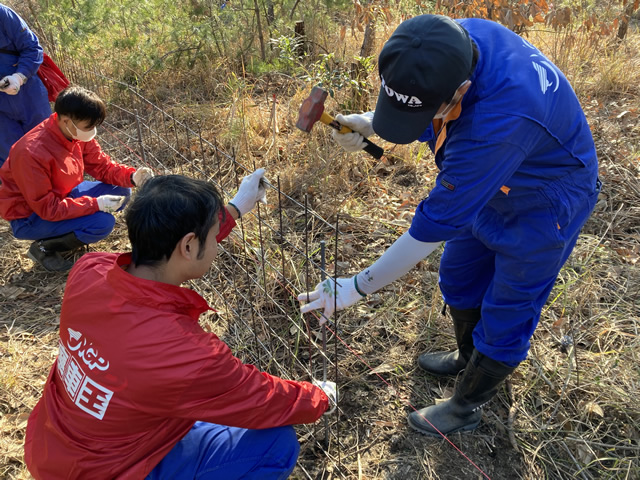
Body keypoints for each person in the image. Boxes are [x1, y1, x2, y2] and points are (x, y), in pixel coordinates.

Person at [298, 15, 600, 437]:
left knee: (508, 307)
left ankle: (466, 406)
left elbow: (431, 226)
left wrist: (356, 286)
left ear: (460, 91)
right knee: (458, 275)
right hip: (496, 182)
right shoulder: (444, 41)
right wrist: (371, 122)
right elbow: (433, 106)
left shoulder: (498, 123)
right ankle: (468, 356)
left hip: (545, 199)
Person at [24, 172, 337, 479]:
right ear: (188, 246)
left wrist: (236, 208)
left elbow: (175, 246)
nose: (215, 242)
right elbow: (261, 398)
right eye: (213, 236)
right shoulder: (182, 353)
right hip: (109, 469)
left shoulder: (89, 270)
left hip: (54, 445)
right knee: (275, 445)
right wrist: (319, 398)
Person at [0, 85, 155, 272]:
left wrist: (132, 176)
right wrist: (95, 204)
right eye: (88, 126)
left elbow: (102, 165)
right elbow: (47, 208)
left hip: (64, 194)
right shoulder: (31, 153)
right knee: (102, 223)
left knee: (121, 190)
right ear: (66, 120)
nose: (92, 132)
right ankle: (44, 248)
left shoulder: (74, 133)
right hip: (30, 216)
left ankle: (70, 230)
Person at [0, 3, 51, 167]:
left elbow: (32, 48)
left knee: (46, 146)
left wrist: (19, 77)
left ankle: (59, 190)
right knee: (11, 159)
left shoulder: (3, 15)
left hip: (29, 94)